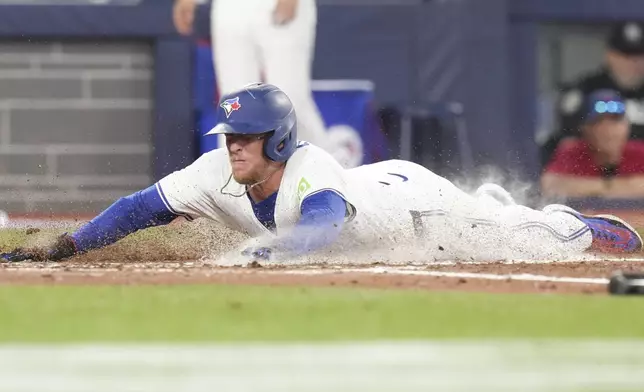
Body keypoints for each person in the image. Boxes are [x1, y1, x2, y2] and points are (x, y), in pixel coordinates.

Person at [1, 83, 641, 264]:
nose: (234, 148)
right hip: (386, 193)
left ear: (276, 138)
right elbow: (140, 208)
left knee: (511, 236)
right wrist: (68, 245)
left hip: (419, 210)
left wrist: (264, 256)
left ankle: (574, 226)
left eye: (246, 137)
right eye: (229, 137)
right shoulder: (216, 168)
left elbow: (322, 224)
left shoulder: (312, 172)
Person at [172, 0, 332, 153]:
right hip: (230, 9)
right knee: (234, 104)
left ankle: (327, 175)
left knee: (290, 101)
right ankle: (234, 179)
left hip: (275, 5)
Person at [541, 21, 644, 166]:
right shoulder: (585, 90)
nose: (634, 63)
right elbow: (567, 143)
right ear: (610, 55)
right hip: (589, 175)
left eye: (640, 56)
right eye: (626, 56)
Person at [542, 90, 644, 198]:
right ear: (585, 128)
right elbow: (549, 185)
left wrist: (589, 188)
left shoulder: (639, 152)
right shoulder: (574, 152)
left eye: (615, 121)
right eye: (598, 122)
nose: (608, 131)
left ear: (627, 126)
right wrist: (615, 187)